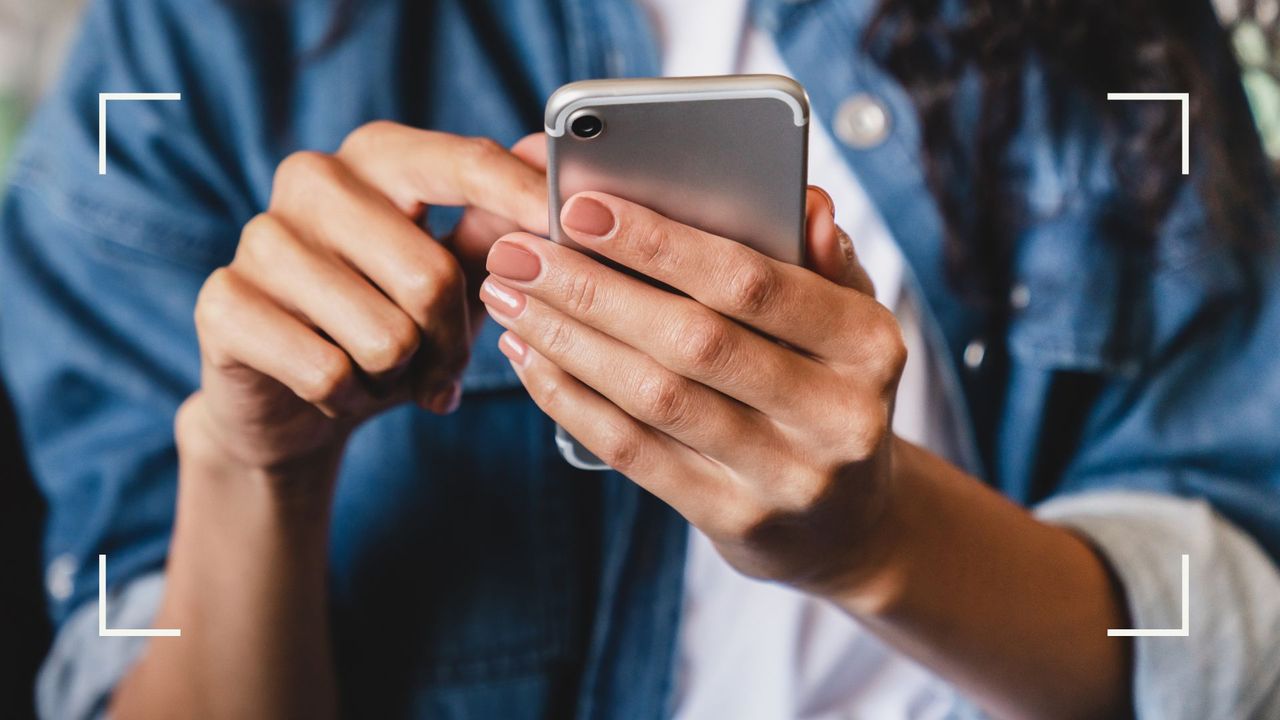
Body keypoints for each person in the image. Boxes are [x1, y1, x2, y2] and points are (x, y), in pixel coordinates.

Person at [2, 0, 1279, 718]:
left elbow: (1222, 630)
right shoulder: (197, 44)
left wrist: (878, 540)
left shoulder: (1115, 45)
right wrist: (249, 467)